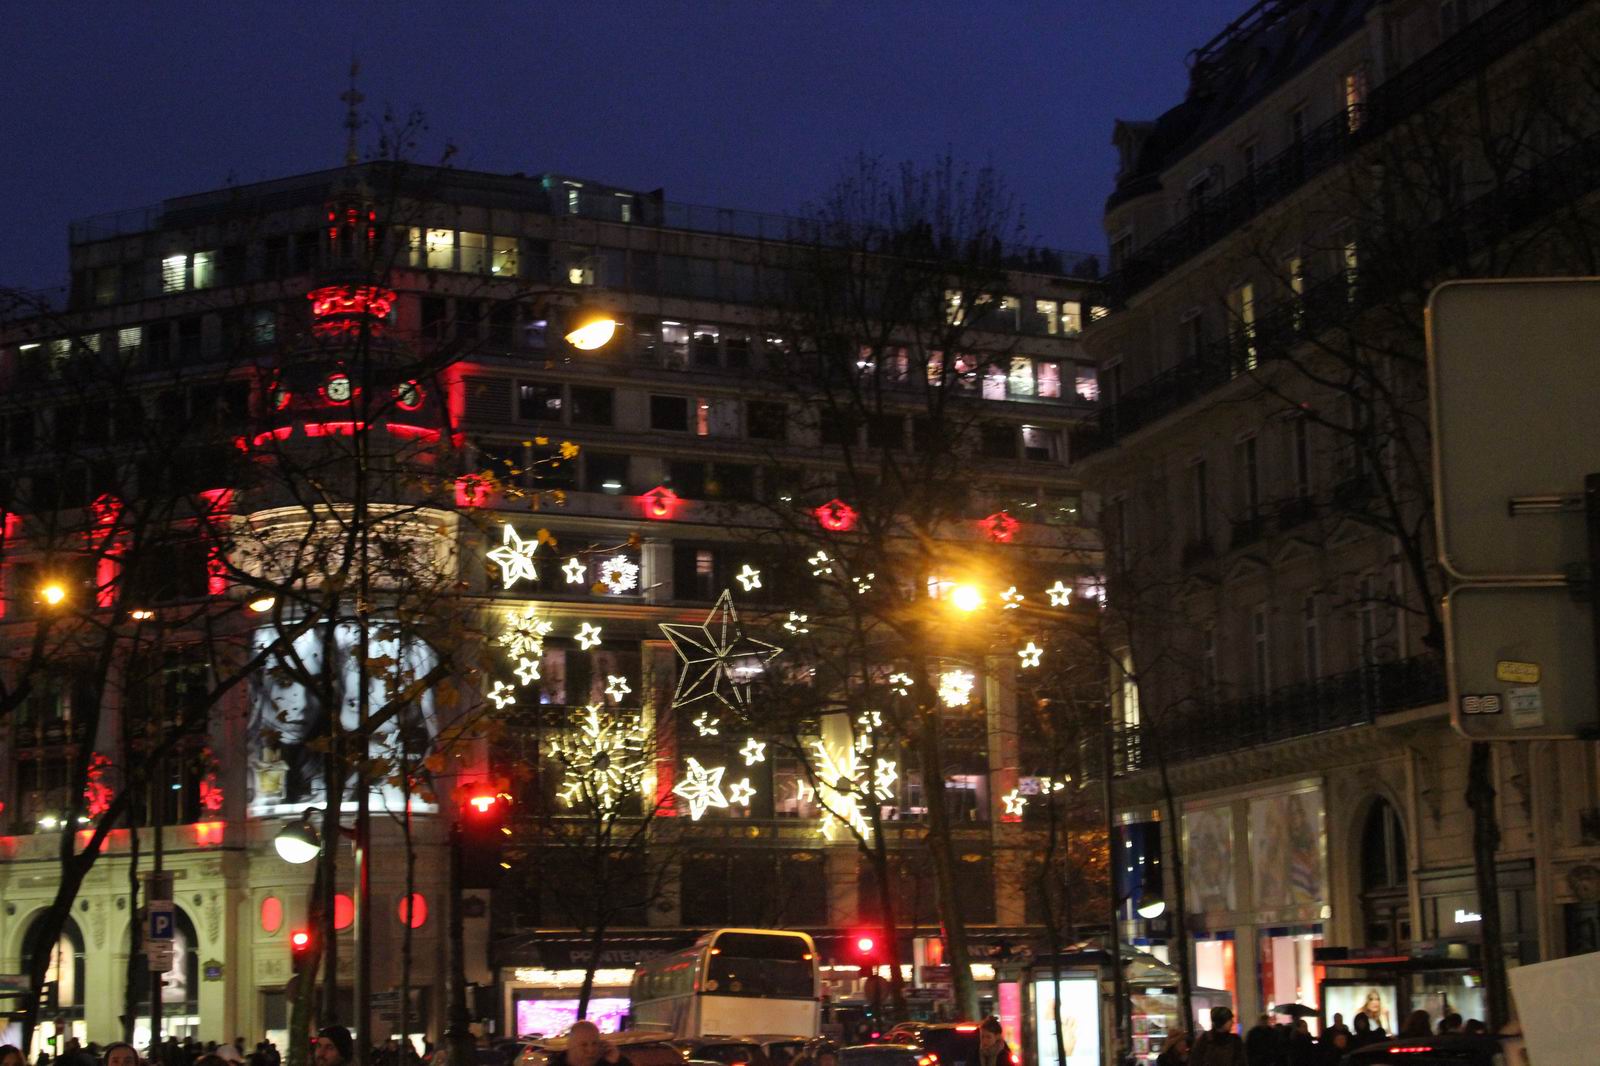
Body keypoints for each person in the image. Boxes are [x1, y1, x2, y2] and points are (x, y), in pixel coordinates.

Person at [549, 1023, 629, 1066]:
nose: (590, 1050)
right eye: (584, 1044)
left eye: (594, 1043)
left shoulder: (606, 1062)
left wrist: (618, 1061)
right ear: (570, 1045)